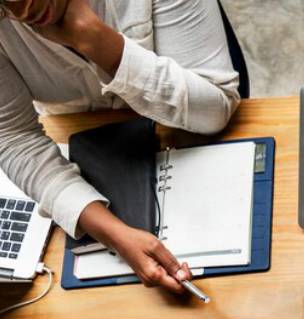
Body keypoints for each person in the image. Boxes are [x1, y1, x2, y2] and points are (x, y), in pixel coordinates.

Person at [0, 0, 241, 294]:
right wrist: (113, 234)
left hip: (192, 137)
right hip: (94, 150)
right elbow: (14, 137)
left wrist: (94, 39)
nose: (22, 12)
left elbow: (214, 108)